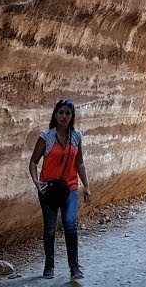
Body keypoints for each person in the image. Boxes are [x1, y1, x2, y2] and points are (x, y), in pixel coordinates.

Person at [28, 99, 93, 280]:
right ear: (55, 114)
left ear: (72, 116)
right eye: (61, 112)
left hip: (69, 187)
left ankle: (74, 268)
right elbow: (33, 161)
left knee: (70, 223)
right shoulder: (46, 136)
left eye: (68, 113)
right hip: (48, 189)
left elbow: (79, 163)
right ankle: (49, 266)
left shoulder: (76, 136)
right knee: (50, 228)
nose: (64, 116)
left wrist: (86, 186)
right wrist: (36, 182)